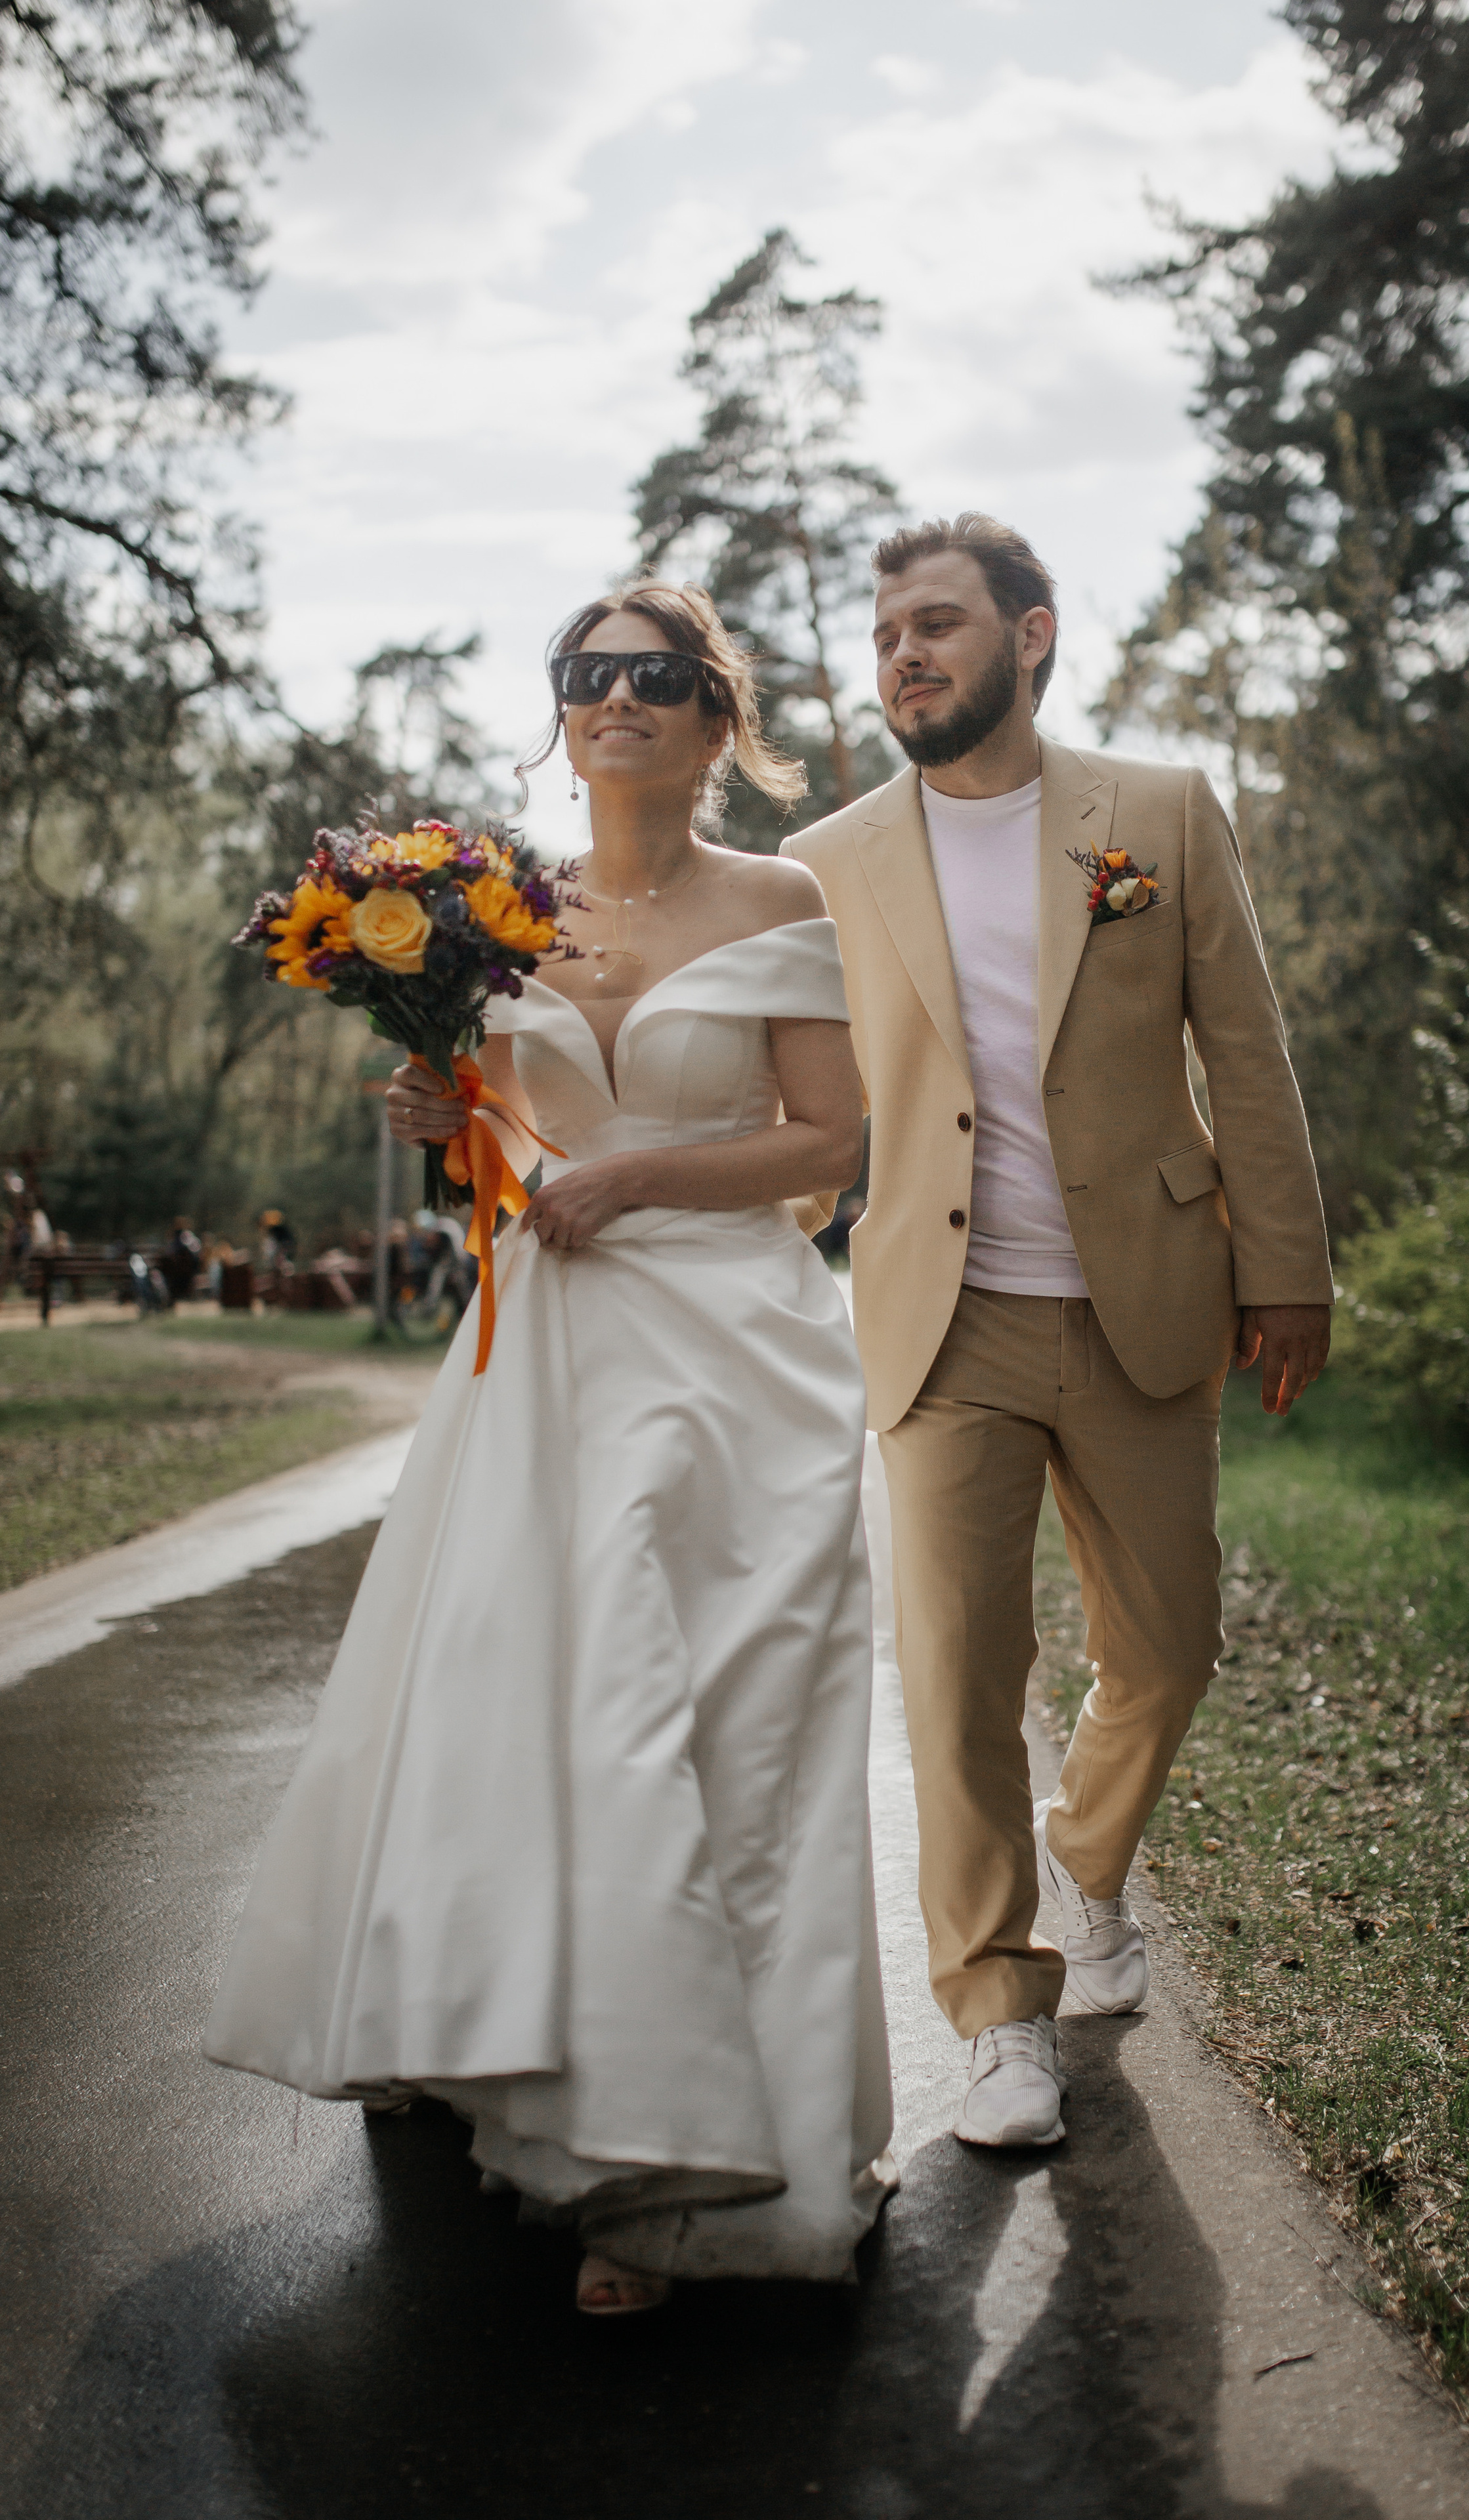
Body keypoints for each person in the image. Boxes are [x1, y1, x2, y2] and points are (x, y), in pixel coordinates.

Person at [204, 581, 895, 2316]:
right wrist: (454, 1126)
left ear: (716, 718)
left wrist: (640, 1174)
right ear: (562, 711)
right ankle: (513, 2043)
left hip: (734, 1349)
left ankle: (677, 2170)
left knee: (719, 1717)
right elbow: (504, 1163)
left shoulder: (780, 896)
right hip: (548, 1350)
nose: (618, 700)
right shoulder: (493, 910)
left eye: (658, 677)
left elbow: (829, 1143)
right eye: (588, 676)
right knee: (529, 1707)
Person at [784, 514, 1332, 2148]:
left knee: (1169, 1646)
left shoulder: (1153, 813)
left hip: (1145, 1299)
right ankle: (997, 2010)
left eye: (938, 624)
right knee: (955, 1677)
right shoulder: (825, 863)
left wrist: (1285, 1264)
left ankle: (1086, 1862)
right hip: (939, 1319)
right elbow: (771, 1086)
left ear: (1028, 637)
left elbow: (1243, 1047)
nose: (904, 654)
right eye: (887, 631)